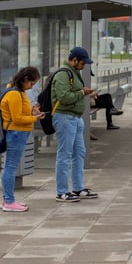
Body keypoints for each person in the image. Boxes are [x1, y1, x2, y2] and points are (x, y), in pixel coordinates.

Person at [52, 47, 99, 203]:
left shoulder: (74, 73)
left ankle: (78, 187)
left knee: (79, 153)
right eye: (83, 63)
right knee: (64, 155)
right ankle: (62, 191)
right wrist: (82, 93)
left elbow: (75, 92)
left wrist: (85, 92)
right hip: (64, 117)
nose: (84, 66)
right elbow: (64, 96)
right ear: (74, 60)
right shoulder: (63, 74)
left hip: (75, 118)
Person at [0, 66, 45, 212]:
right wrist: (34, 118)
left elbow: (21, 112)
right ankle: (8, 201)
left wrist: (33, 110)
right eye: (31, 84)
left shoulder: (19, 92)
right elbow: (17, 118)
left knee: (10, 166)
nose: (31, 87)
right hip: (16, 133)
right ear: (25, 79)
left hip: (19, 132)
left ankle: (8, 199)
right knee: (11, 167)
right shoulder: (14, 94)